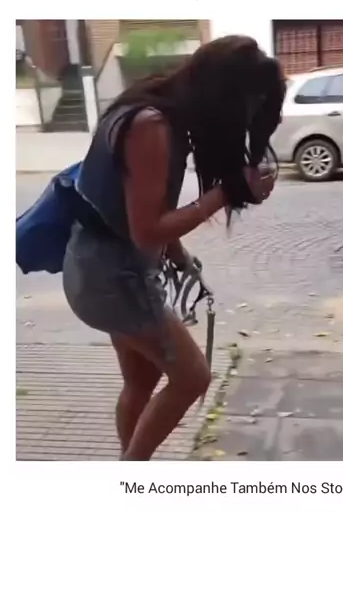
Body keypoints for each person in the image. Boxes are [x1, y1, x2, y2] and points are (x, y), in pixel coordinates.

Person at [62, 35, 286, 460]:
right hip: (113, 279)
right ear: (224, 95)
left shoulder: (156, 104)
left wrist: (178, 254)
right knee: (193, 378)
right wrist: (227, 192)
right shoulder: (153, 126)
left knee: (141, 382)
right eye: (245, 107)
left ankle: (129, 464)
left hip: (100, 270)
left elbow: (141, 206)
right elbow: (147, 230)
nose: (244, 120)